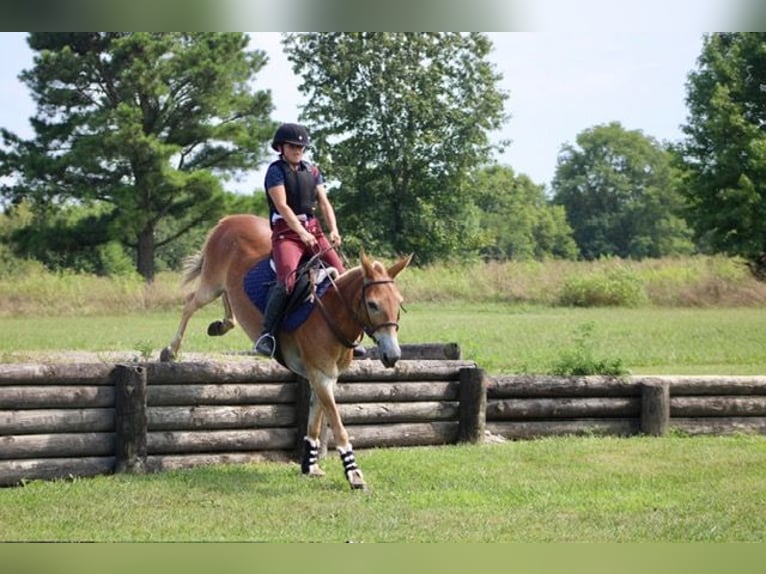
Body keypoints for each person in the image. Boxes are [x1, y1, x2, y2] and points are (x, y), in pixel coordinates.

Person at [254, 122, 360, 357]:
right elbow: (281, 205)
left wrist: (333, 229)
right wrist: (301, 232)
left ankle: (351, 335)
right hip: (287, 232)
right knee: (287, 280)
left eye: (301, 146)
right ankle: (267, 333)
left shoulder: (312, 170)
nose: (298, 150)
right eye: (293, 146)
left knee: (342, 276)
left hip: (314, 229)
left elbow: (323, 202)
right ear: (281, 147)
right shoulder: (275, 171)